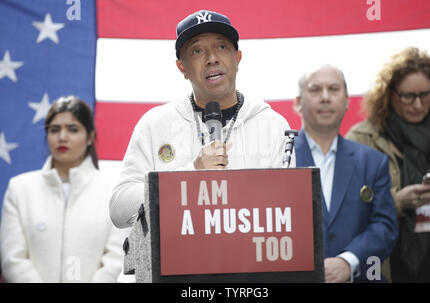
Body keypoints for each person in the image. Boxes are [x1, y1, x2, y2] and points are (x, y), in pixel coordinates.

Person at [109, 10, 293, 229]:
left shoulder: (273, 126)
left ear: (237, 58)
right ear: (182, 68)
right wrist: (189, 176)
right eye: (197, 51)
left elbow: (289, 209)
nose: (212, 58)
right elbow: (119, 209)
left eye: (222, 47)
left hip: (250, 259)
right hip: (178, 261)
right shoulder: (154, 125)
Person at [346, 47, 430, 282]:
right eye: (408, 96)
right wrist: (396, 202)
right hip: (389, 265)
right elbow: (347, 211)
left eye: (425, 95)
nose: (417, 104)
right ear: (390, 94)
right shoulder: (362, 138)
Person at [0, 96, 125, 283]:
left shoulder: (114, 191)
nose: (62, 137)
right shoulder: (20, 189)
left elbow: (117, 259)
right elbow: (13, 259)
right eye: (54, 129)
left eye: (73, 129)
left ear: (90, 137)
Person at [293, 64, 398, 282]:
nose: (325, 97)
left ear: (348, 101)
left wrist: (348, 262)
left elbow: (384, 227)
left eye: (333, 89)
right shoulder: (280, 159)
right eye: (314, 90)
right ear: (297, 103)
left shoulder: (373, 162)